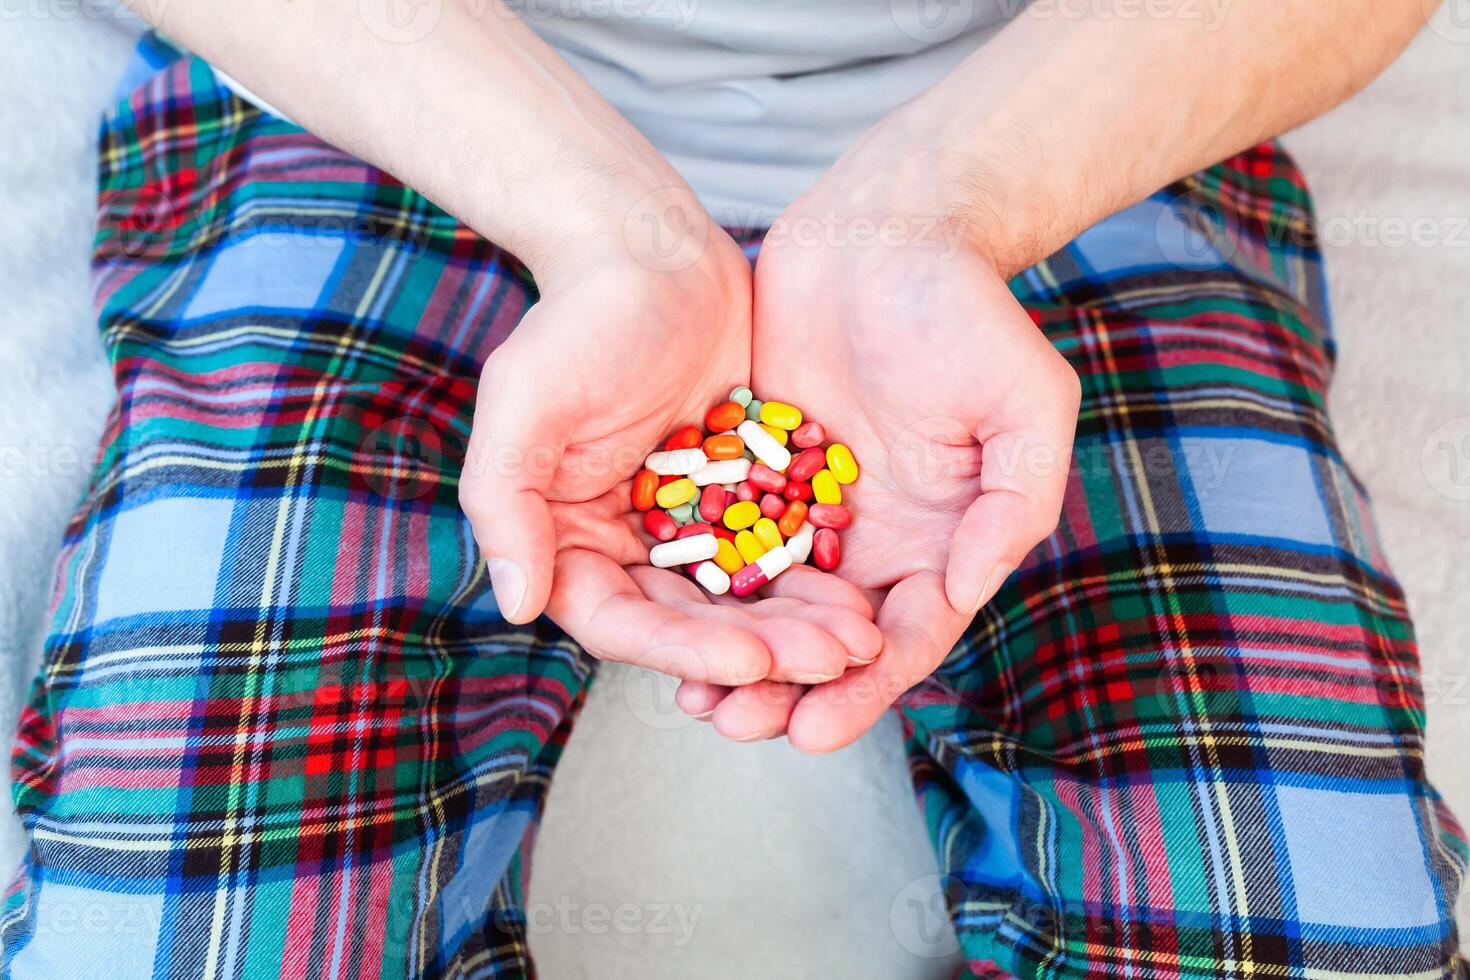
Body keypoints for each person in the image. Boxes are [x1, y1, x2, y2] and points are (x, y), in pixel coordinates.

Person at [3, 0, 1464, 976]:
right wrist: (604, 228)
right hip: (381, 94)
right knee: (180, 934)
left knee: (1309, 915)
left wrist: (948, 207)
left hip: (1081, 115)